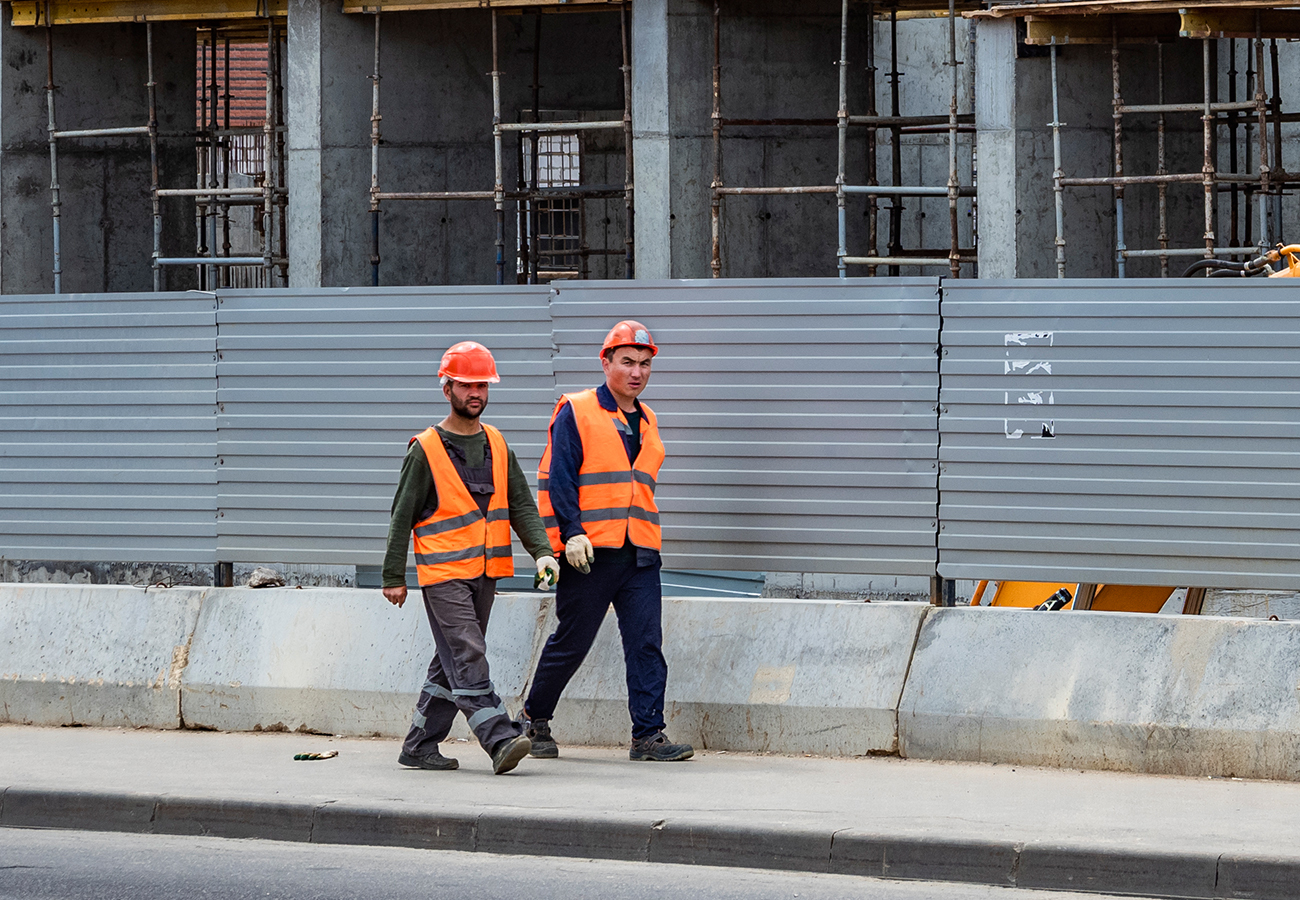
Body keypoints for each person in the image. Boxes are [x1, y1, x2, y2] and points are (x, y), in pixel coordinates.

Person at [382, 340, 560, 776]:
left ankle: (420, 744)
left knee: (451, 661)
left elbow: (521, 504)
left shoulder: (498, 443)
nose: (475, 392)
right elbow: (401, 513)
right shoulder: (425, 448)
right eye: (465, 385)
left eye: (481, 384)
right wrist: (393, 574)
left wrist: (542, 553)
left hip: (487, 571)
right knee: (468, 652)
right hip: (443, 573)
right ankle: (500, 737)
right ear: (447, 389)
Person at [519, 321, 693, 762]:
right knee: (572, 640)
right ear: (607, 362)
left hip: (640, 552)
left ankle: (648, 735)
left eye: (645, 364)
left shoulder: (648, 418)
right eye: (628, 362)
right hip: (589, 554)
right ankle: (534, 719)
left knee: (645, 642)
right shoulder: (576, 410)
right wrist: (571, 532)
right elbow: (560, 478)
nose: (637, 372)